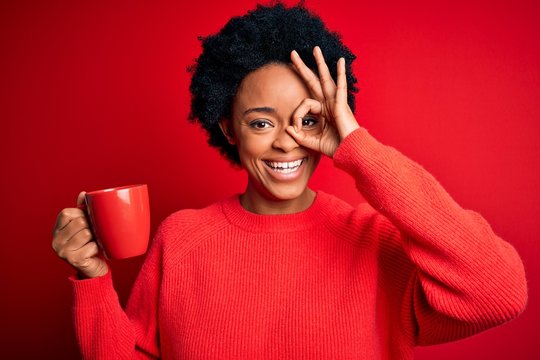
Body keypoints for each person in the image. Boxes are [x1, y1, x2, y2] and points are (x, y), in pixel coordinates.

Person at [52, 2, 527, 359]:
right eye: (261, 123)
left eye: (308, 121)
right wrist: (93, 280)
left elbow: (498, 292)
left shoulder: (375, 241)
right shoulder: (181, 240)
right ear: (229, 128)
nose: (286, 143)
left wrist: (356, 146)